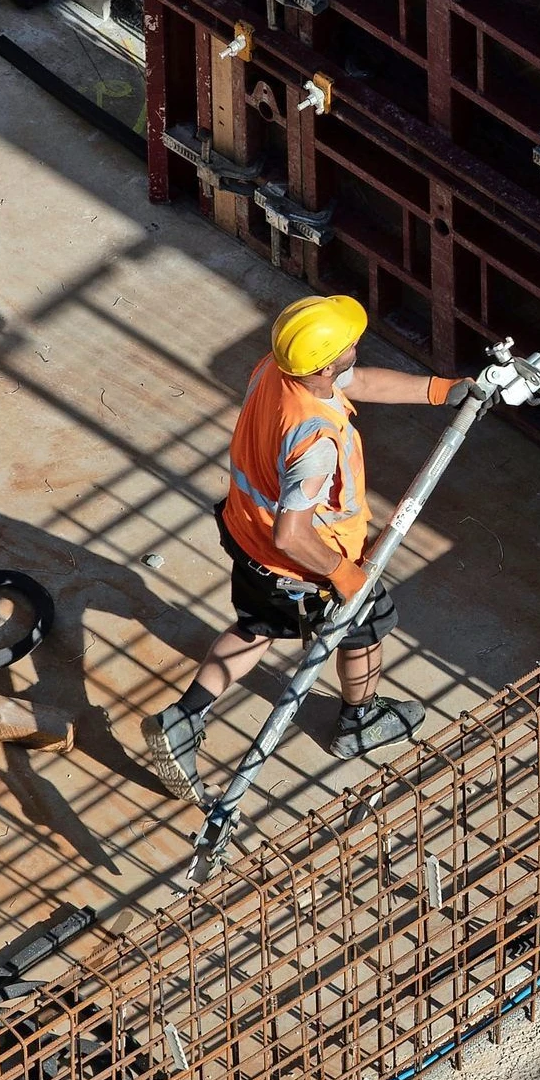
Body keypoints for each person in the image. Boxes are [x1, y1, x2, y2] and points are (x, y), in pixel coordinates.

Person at [142, 294, 464, 799]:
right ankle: (357, 722)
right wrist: (341, 573)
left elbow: (356, 381)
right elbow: (292, 533)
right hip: (304, 563)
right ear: (326, 362)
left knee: (256, 626)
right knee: (365, 629)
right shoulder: (314, 439)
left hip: (246, 535)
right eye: (349, 343)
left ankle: (183, 718)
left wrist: (441, 391)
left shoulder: (279, 369)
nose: (357, 343)